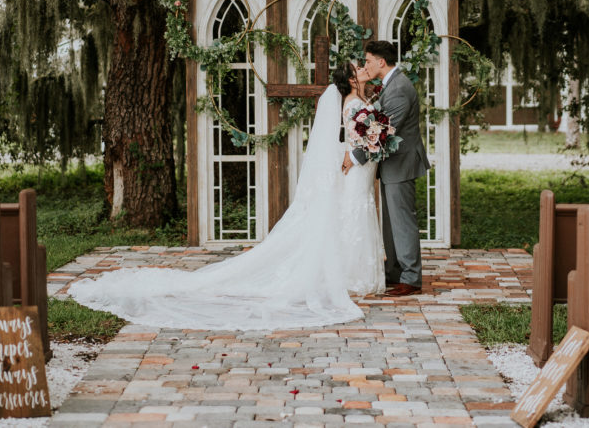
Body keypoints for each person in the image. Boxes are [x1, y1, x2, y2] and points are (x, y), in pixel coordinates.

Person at [67, 63, 383, 330]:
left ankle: (347, 273)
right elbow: (363, 136)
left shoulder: (359, 99)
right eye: (358, 67)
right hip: (353, 166)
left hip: (354, 166)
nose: (363, 68)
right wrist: (374, 139)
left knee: (347, 219)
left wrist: (375, 136)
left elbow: (365, 135)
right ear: (351, 79)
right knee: (346, 219)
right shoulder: (353, 103)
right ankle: (342, 276)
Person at [344, 40, 430, 297]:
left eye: (368, 60)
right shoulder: (391, 85)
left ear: (382, 61)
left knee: (402, 220)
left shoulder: (399, 88)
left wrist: (355, 156)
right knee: (392, 221)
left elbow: (381, 130)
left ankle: (411, 278)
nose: (365, 65)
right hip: (391, 163)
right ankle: (395, 270)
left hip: (402, 163)